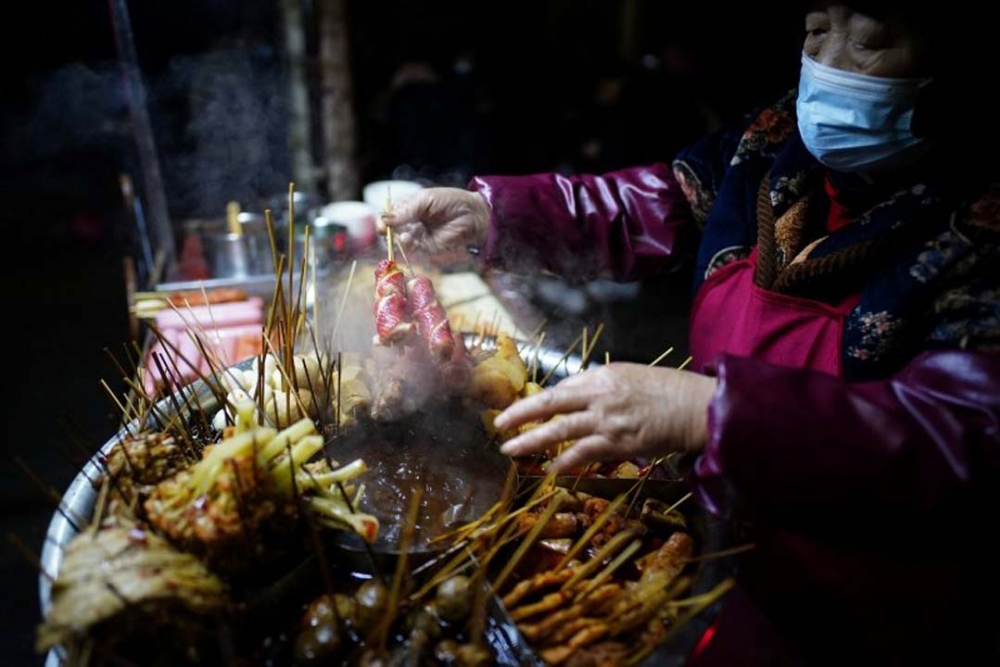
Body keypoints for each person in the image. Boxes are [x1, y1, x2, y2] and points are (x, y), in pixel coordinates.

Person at [381, 3, 999, 663]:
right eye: (818, 30)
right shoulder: (771, 144)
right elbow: (654, 204)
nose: (831, 66)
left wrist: (710, 409)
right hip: (717, 548)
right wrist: (491, 215)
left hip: (872, 610)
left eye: (872, 38)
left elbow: (963, 435)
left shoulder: (982, 225)